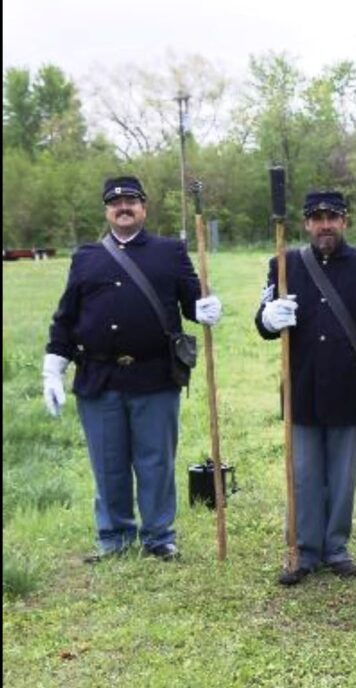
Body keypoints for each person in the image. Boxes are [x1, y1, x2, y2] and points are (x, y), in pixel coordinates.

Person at [43, 175, 223, 562]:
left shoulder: (170, 252)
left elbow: (194, 301)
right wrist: (52, 370)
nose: (123, 208)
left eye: (131, 202)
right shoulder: (86, 257)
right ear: (107, 210)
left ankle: (159, 537)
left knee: (155, 461)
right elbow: (66, 318)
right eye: (115, 203)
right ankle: (115, 537)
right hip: (99, 377)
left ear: (144, 207)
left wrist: (206, 307)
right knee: (108, 464)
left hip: (155, 375)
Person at [255, 190, 356, 586]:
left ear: (345, 221)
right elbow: (261, 323)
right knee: (305, 472)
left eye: (333, 217)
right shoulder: (283, 265)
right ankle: (304, 551)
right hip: (302, 387)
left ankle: (336, 547)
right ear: (306, 224)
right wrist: (268, 317)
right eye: (317, 218)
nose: (325, 225)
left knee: (343, 475)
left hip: (349, 386)